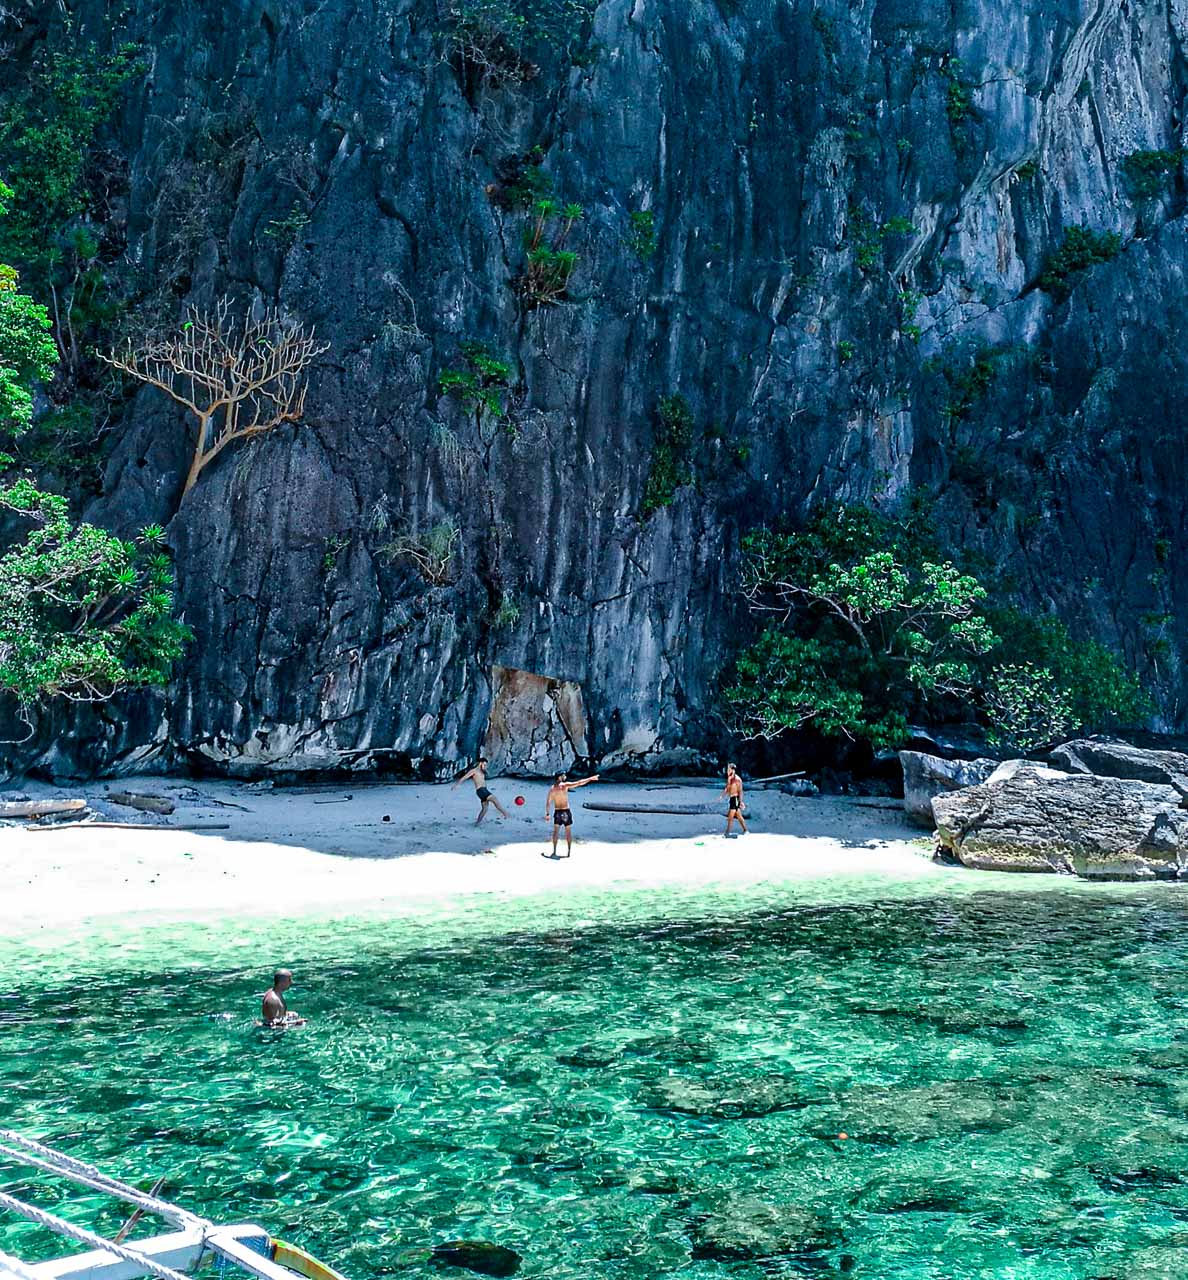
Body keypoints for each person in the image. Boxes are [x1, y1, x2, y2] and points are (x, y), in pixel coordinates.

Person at [543, 771, 600, 859]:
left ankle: (554, 851)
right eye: (563, 775)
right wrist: (591, 778)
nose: (565, 776)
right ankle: (568, 852)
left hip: (557, 812)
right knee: (568, 832)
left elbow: (548, 803)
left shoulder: (552, 789)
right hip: (566, 811)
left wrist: (547, 814)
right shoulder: (565, 786)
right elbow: (579, 783)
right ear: (559, 777)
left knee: (556, 832)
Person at [452, 756, 508, 824]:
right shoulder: (473, 771)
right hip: (481, 790)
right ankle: (507, 815)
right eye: (484, 764)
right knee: (495, 800)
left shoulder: (482, 771)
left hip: (484, 790)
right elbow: (464, 778)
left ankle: (477, 823)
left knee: (485, 809)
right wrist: (456, 785)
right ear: (480, 763)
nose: (485, 766)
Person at [723, 763, 748, 837]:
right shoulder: (730, 778)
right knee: (739, 816)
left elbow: (740, 791)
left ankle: (727, 832)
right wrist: (722, 795)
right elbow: (727, 788)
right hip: (731, 798)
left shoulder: (738, 780)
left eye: (729, 769)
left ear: (732, 769)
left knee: (730, 816)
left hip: (735, 799)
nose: (727, 770)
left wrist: (741, 801)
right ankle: (745, 830)